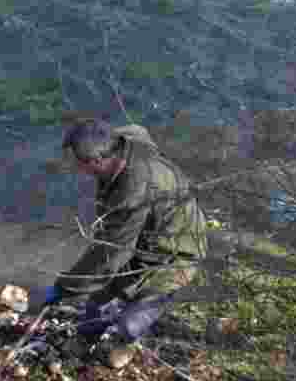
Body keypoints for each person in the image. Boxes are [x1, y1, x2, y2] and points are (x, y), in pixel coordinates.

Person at [43, 120, 207, 367]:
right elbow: (138, 128)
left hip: (176, 253)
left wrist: (67, 286)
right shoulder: (122, 141)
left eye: (79, 163)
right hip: (146, 235)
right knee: (97, 302)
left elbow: (111, 253)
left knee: (133, 320)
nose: (77, 168)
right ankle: (86, 337)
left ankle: (124, 342)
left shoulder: (133, 192)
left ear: (96, 161)